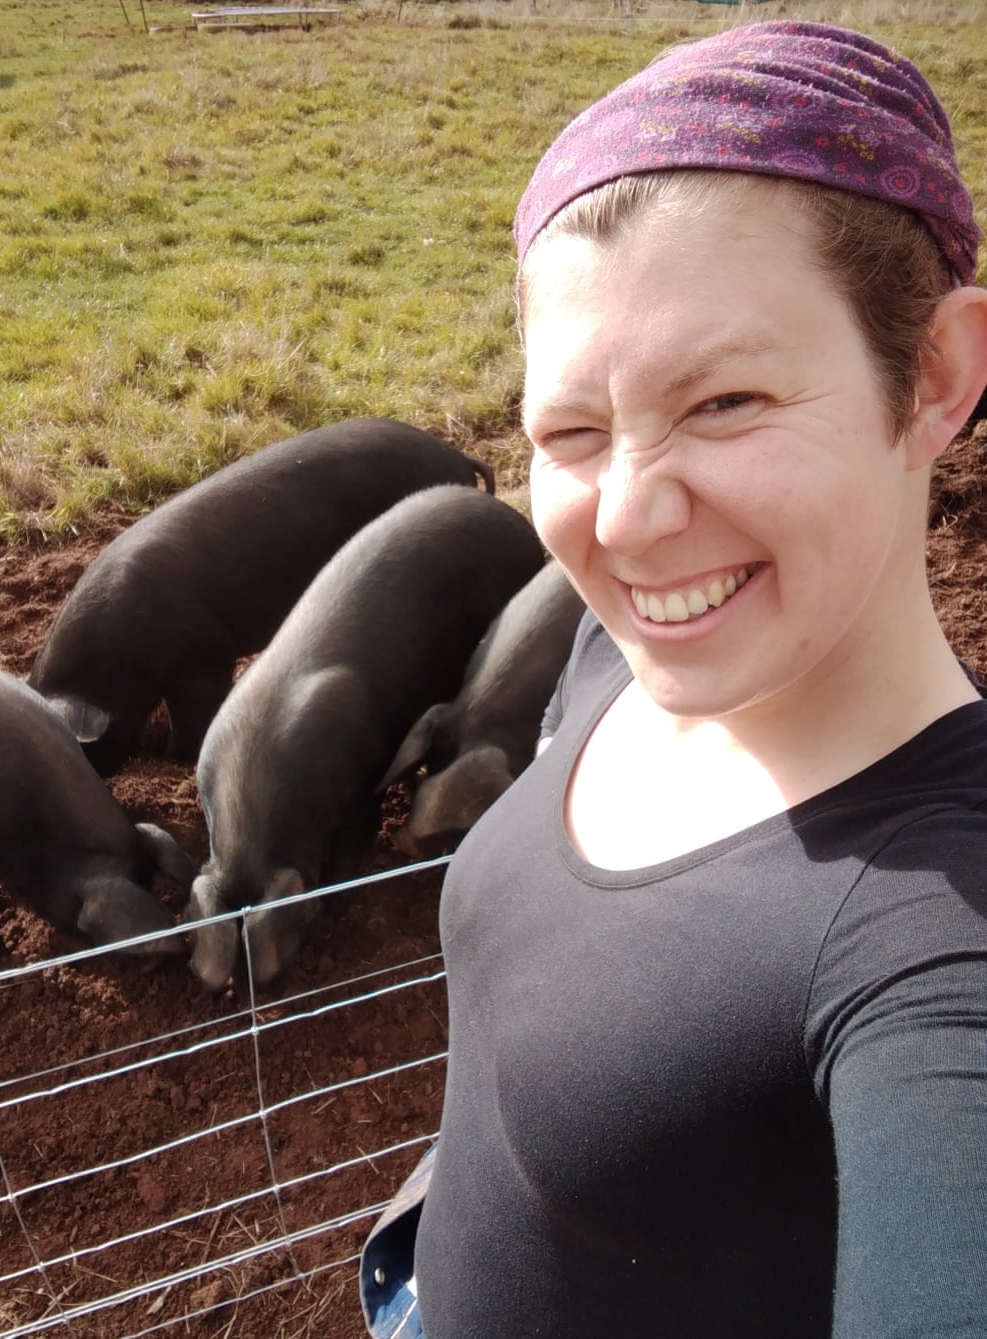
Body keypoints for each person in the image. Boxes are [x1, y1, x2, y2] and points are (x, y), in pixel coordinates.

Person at [361, 20, 987, 1339]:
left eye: (725, 405)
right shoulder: (631, 650)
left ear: (932, 376)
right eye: (573, 431)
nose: (629, 521)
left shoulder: (943, 935)